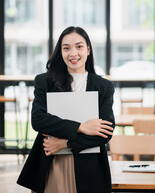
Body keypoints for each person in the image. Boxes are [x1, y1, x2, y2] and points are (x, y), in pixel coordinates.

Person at [17, 26, 115, 193]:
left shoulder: (103, 86)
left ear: (88, 50)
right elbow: (38, 119)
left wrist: (65, 143)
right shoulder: (44, 81)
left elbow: (105, 132)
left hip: (89, 165)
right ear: (60, 52)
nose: (73, 53)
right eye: (66, 48)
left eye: (79, 46)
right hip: (52, 163)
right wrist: (81, 126)